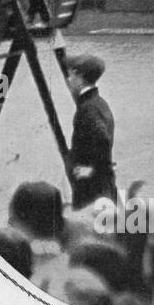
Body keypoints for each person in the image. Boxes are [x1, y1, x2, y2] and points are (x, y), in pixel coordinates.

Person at [62, 54, 116, 210]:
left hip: (91, 189)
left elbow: (103, 138)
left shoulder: (88, 108)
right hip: (102, 186)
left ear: (79, 77)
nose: (68, 80)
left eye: (71, 75)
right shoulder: (98, 103)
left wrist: (92, 169)